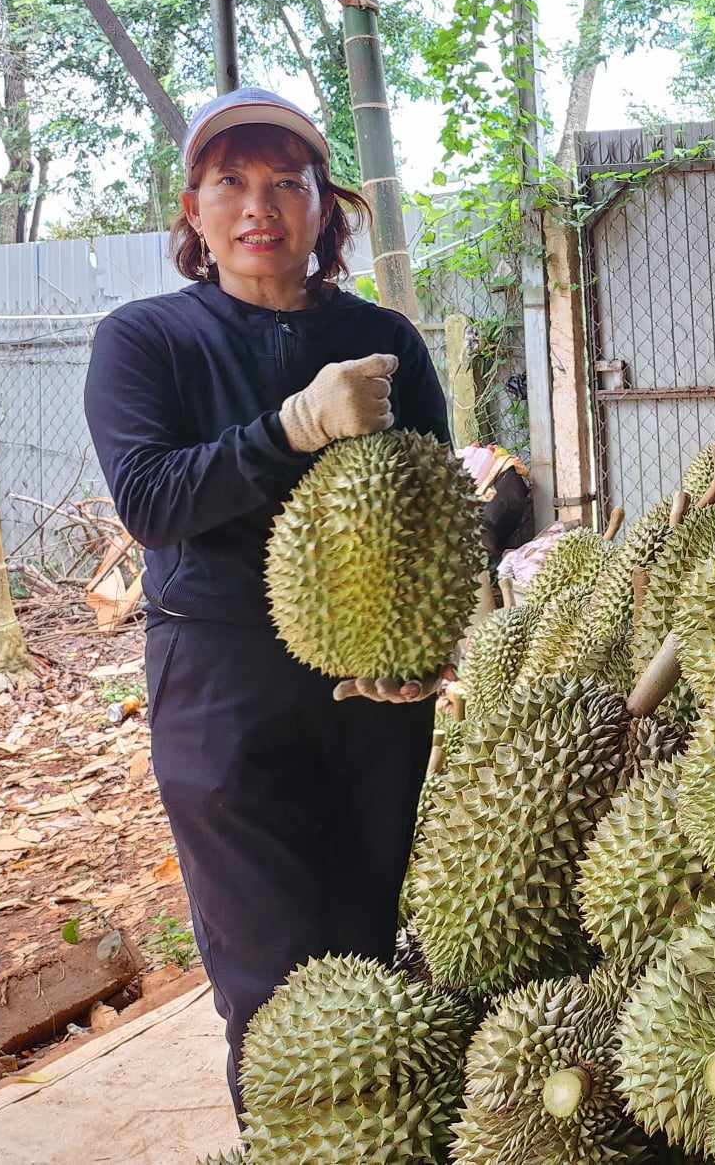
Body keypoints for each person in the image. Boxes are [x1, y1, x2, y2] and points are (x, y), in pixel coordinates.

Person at [84, 88, 450, 1113]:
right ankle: (287, 1135)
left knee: (361, 930)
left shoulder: (382, 340)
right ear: (193, 213)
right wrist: (289, 427)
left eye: (286, 183)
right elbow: (152, 503)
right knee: (265, 961)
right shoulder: (146, 340)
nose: (261, 205)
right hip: (220, 673)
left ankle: (378, 1133)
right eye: (231, 182)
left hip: (374, 673)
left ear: (323, 211)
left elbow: (434, 501)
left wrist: (435, 635)